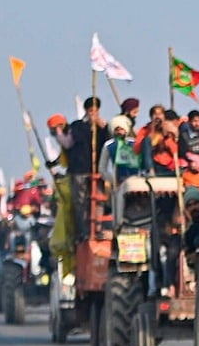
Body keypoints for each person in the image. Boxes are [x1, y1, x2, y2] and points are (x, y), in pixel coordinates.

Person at [53, 96, 109, 239]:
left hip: (97, 170)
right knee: (81, 202)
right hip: (79, 171)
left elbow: (110, 141)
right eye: (91, 111)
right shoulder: (77, 126)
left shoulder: (103, 127)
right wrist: (58, 132)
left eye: (95, 111)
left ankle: (97, 229)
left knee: (98, 200)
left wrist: (102, 126)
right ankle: (84, 232)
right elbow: (67, 144)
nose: (93, 114)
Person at [98, 115, 139, 186]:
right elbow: (102, 169)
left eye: (121, 129)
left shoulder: (134, 143)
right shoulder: (109, 145)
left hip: (135, 182)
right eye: (117, 130)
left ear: (125, 130)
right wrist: (113, 180)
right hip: (118, 184)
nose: (119, 132)